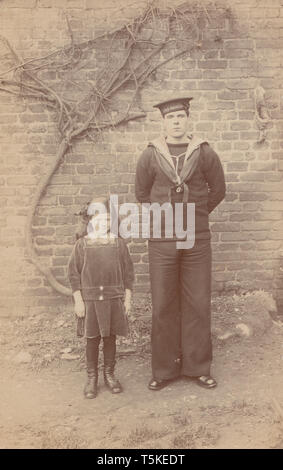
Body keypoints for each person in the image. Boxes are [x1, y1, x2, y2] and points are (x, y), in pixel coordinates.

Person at [135, 95, 226, 391]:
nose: (176, 122)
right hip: (162, 239)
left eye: (180, 117)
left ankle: (197, 367)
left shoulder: (205, 152)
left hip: (197, 238)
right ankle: (164, 370)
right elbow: (142, 193)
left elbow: (218, 190)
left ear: (188, 120)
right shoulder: (150, 155)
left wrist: (195, 215)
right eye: (170, 118)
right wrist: (168, 220)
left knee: (197, 302)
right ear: (163, 122)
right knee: (163, 303)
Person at [68, 197, 134, 399]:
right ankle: (92, 377)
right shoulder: (82, 245)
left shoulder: (118, 244)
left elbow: (128, 274)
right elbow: (73, 275)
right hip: (90, 301)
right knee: (92, 339)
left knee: (109, 337)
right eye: (98, 219)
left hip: (113, 299)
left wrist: (128, 299)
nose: (102, 224)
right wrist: (79, 300)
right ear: (89, 220)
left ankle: (109, 374)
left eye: (107, 220)